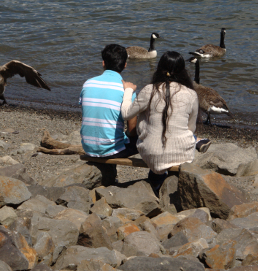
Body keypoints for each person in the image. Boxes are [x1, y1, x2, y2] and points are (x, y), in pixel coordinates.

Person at [121, 51, 209, 195]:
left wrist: (128, 92)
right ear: (183, 71)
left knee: (156, 149)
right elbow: (190, 129)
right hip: (182, 154)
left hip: (150, 152)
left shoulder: (149, 90)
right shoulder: (191, 94)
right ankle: (170, 189)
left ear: (159, 67)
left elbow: (126, 114)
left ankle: (155, 186)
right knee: (189, 136)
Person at [79, 45, 138, 183]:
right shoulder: (127, 90)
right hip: (110, 150)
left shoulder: (87, 84)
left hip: (88, 146)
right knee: (139, 139)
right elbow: (132, 130)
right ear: (125, 65)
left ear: (103, 63)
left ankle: (109, 177)